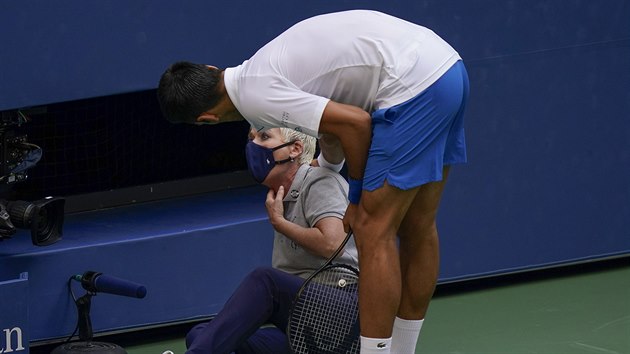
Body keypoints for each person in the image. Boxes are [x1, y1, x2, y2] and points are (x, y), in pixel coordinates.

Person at [157, 9, 469, 354]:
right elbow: (335, 123)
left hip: (412, 87)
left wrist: (355, 196)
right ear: (213, 70)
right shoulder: (257, 69)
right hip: (446, 68)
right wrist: (329, 165)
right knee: (418, 226)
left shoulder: (256, 98)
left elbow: (356, 124)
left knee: (371, 228)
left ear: (207, 119)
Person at [185, 127, 358, 354]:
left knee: (267, 281)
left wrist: (280, 223)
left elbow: (332, 243)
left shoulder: (318, 180)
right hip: (307, 330)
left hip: (346, 311)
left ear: (295, 149)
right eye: (251, 138)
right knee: (201, 335)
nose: (253, 145)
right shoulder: (282, 197)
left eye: (264, 137)